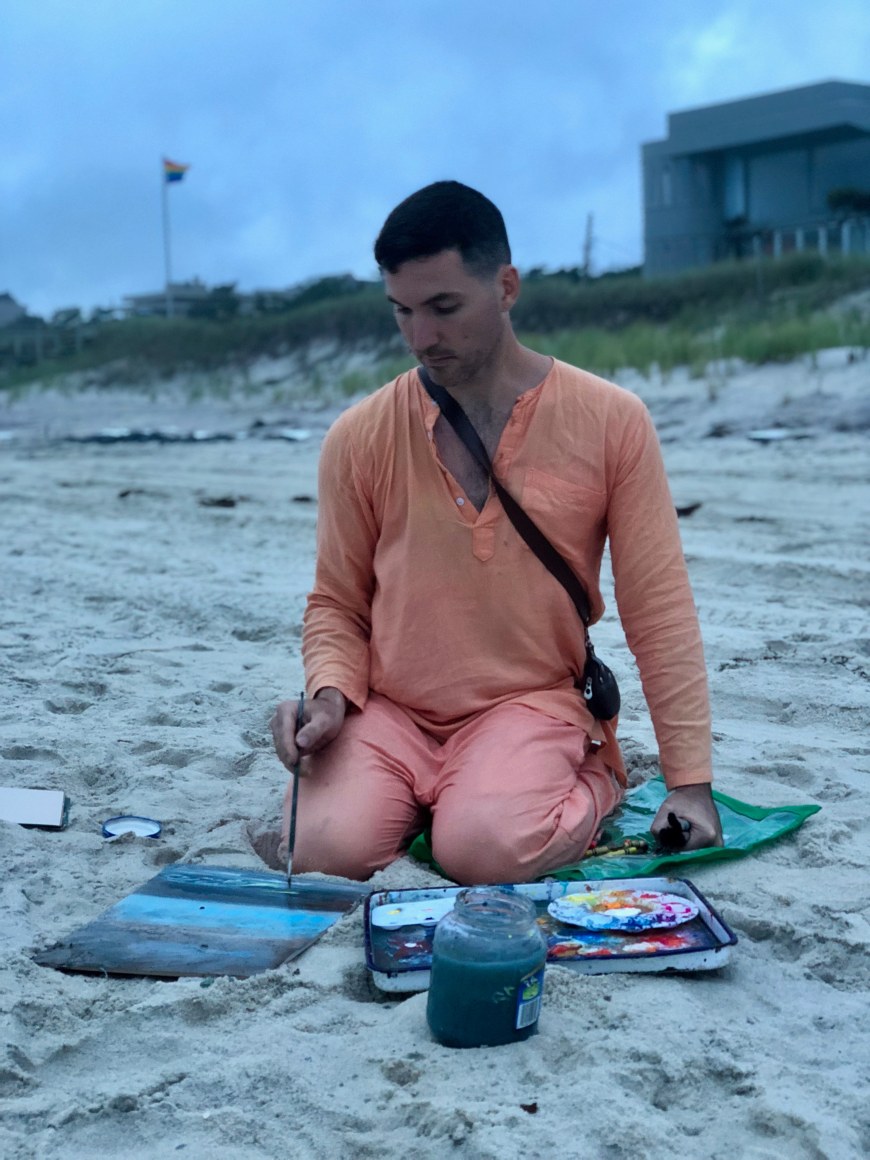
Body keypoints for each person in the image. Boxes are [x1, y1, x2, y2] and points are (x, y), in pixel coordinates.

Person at [270, 180, 723, 885]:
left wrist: (689, 780)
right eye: (403, 312)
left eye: (445, 308)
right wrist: (328, 694)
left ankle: (596, 775)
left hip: (527, 703)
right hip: (391, 710)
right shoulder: (357, 437)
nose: (423, 337)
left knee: (482, 851)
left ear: (506, 286)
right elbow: (336, 603)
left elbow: (657, 609)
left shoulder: (611, 420)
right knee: (323, 851)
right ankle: (429, 791)